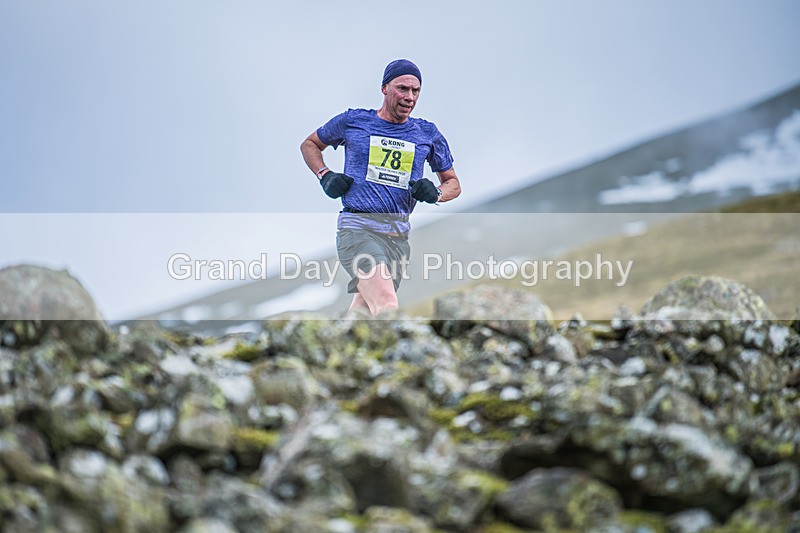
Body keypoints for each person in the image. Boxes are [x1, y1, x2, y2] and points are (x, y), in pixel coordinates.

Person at [300, 59, 461, 316]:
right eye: (402, 88)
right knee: (386, 304)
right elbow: (309, 144)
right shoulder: (353, 121)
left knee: (362, 313)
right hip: (358, 230)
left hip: (398, 238)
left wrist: (436, 193)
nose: (409, 97)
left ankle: (337, 350)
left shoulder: (427, 134)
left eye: (415, 91)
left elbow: (453, 183)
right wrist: (325, 175)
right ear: (385, 88)